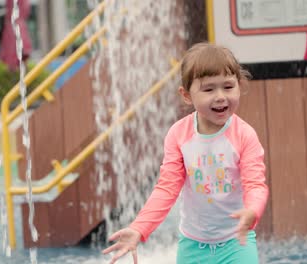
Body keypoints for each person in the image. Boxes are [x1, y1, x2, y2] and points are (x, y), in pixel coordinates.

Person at [102, 43, 269, 264]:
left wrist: (252, 211)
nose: (220, 96)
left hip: (236, 243)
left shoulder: (244, 135)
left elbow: (255, 184)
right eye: (209, 89)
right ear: (187, 95)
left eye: (228, 87)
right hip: (192, 246)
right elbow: (167, 188)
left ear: (239, 86)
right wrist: (139, 228)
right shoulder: (179, 135)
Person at [0, 0, 32, 71]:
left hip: (14, 26)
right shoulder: (18, 25)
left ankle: (16, 68)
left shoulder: (15, 25)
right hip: (15, 26)